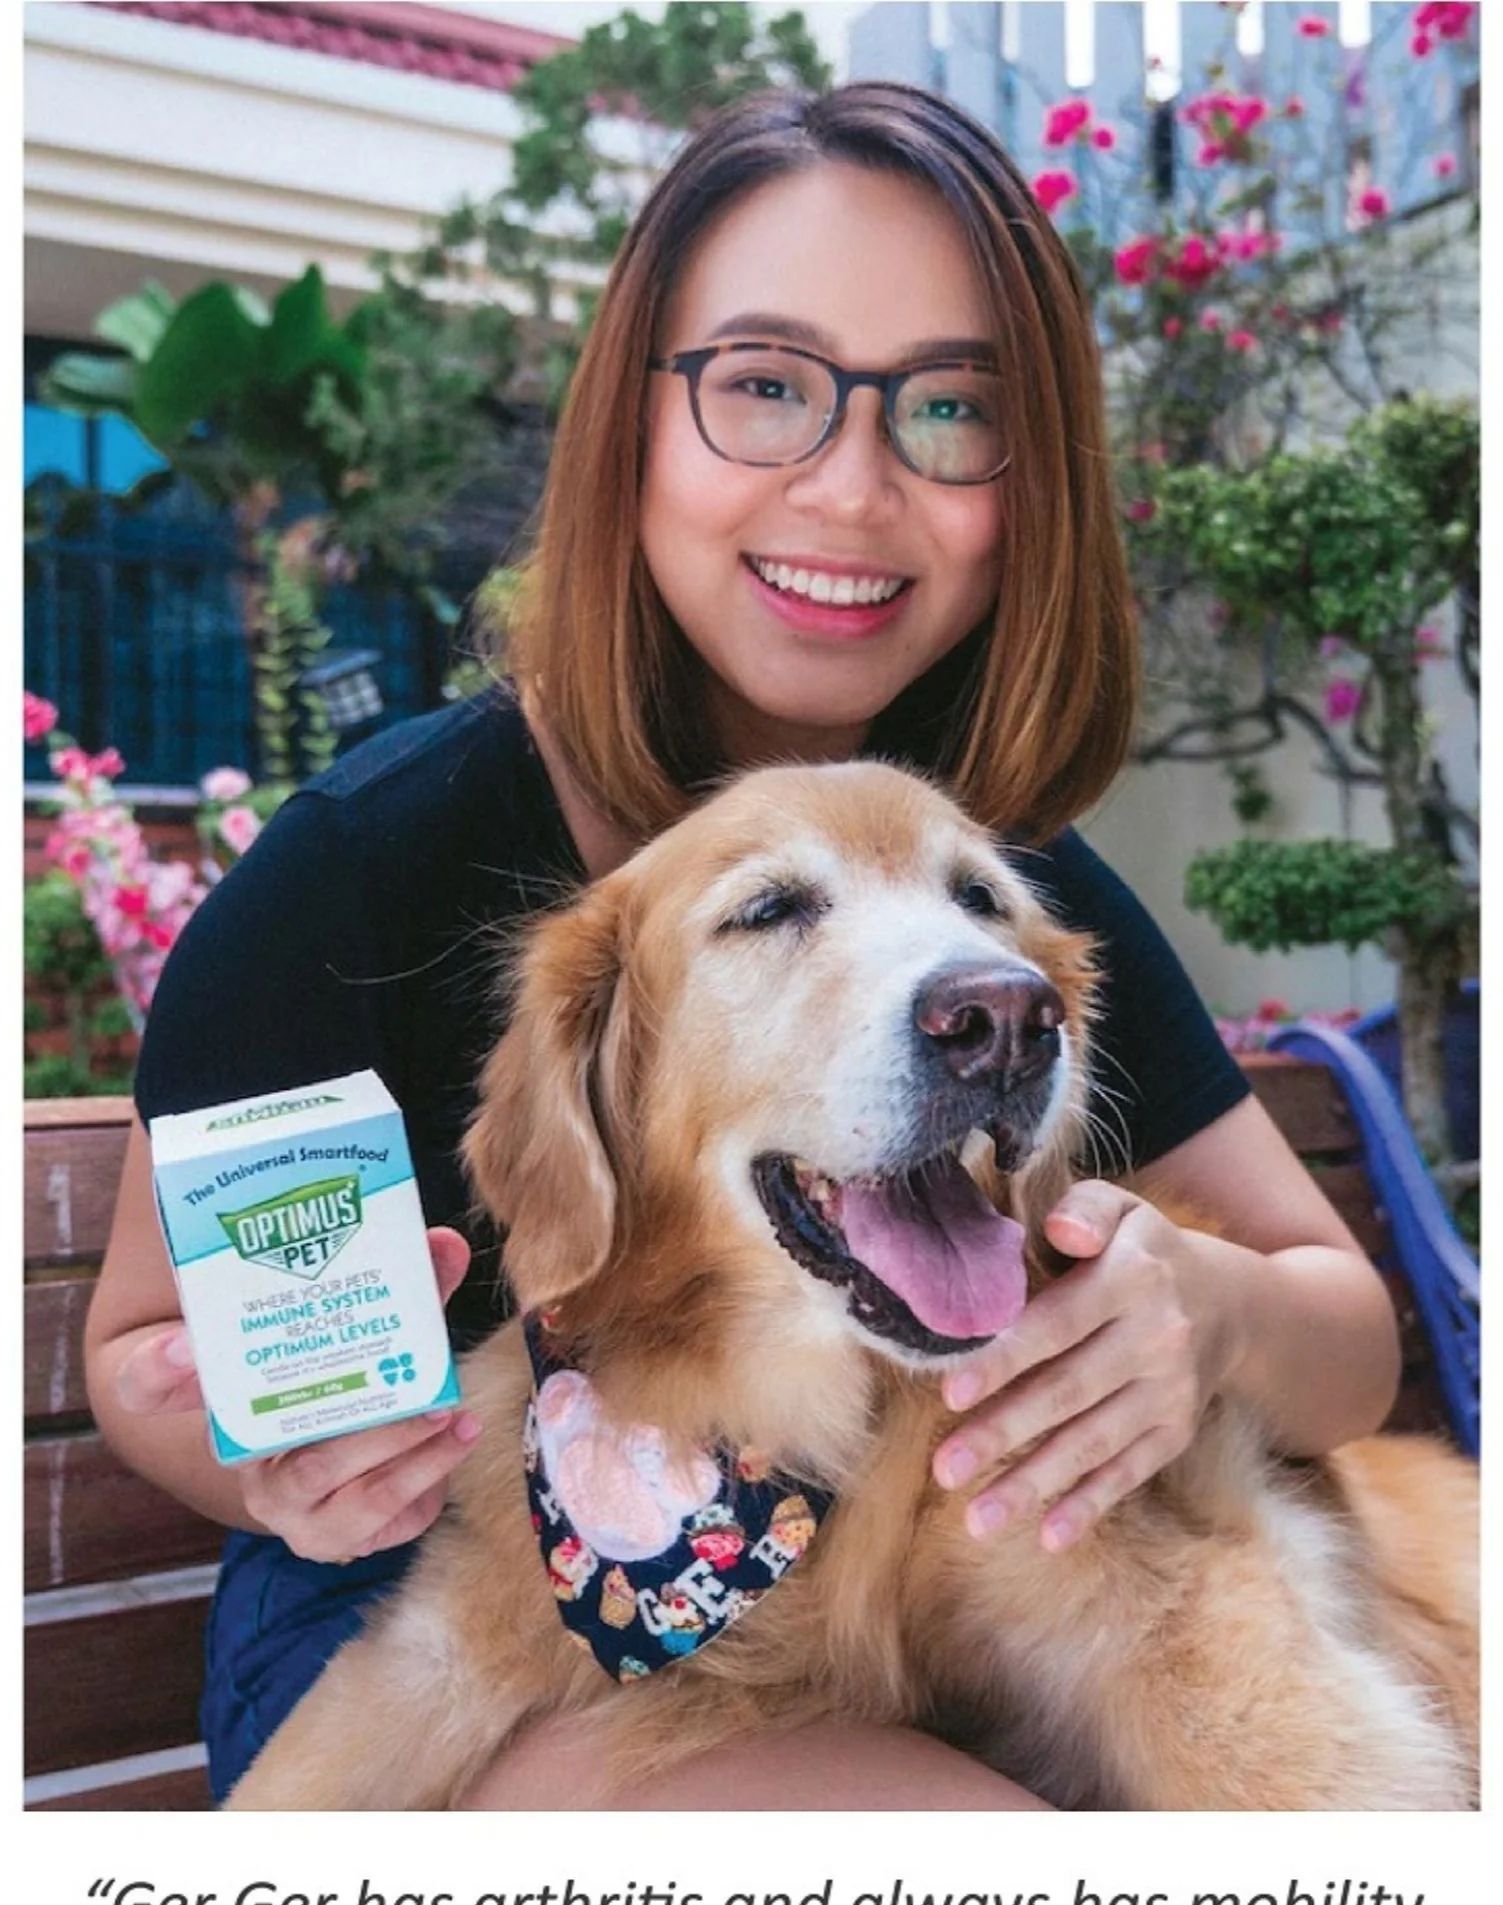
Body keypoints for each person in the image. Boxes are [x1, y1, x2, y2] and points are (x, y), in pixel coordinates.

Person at [85, 82, 1400, 1812]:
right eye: (766, 385)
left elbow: (1349, 1338)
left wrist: (1200, 1315)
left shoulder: (995, 890)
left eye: (949, 409)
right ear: (630, 423)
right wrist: (273, 1470)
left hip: (904, 1609)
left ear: (1030, 482)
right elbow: (136, 1349)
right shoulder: (362, 868)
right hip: (442, 1628)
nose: (851, 489)